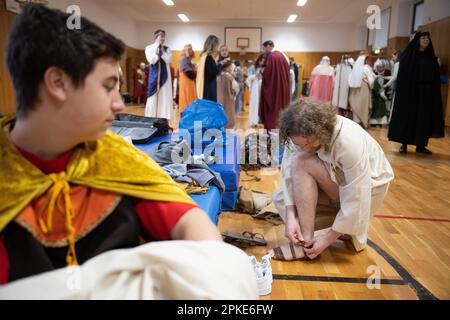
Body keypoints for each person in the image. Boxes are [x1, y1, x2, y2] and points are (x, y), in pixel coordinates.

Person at [0, 4, 257, 299]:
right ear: (58, 83)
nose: (119, 104)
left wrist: (212, 273)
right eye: (108, 86)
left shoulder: (116, 158)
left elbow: (192, 224)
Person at [270, 98, 394, 260]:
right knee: (281, 196)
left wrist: (328, 239)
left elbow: (358, 194)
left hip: (370, 188)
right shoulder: (297, 135)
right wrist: (291, 218)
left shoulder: (348, 142)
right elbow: (287, 175)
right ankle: (307, 241)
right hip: (336, 183)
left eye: (307, 144)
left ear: (318, 131)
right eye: (299, 145)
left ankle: (322, 236)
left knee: (301, 162)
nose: (304, 148)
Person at [388, 32, 445, 155]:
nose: (426, 40)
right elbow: (403, 77)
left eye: (427, 38)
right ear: (418, 40)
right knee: (409, 117)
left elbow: (435, 77)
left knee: (423, 120)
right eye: (423, 38)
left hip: (426, 94)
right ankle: (404, 145)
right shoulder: (408, 57)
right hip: (411, 93)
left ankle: (421, 145)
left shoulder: (431, 58)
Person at [259, 40, 291, 130]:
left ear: (269, 46)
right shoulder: (283, 56)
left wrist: (262, 72)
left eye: (263, 48)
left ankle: (271, 137)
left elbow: (268, 73)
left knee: (273, 114)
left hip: (274, 90)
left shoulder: (272, 56)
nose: (263, 51)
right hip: (283, 89)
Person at [145, 29, 173, 119]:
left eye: (164, 36)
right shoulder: (149, 48)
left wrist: (162, 51)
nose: (163, 38)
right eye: (161, 36)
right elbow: (152, 60)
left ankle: (163, 118)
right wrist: (157, 50)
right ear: (156, 37)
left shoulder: (167, 49)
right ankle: (151, 117)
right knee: (152, 96)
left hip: (165, 77)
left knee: (164, 97)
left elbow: (168, 60)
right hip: (154, 76)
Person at [348, 55, 376, 128]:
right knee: (363, 105)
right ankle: (363, 122)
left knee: (356, 104)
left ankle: (356, 122)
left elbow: (350, 80)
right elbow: (371, 80)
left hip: (355, 89)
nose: (369, 62)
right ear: (365, 61)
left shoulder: (355, 68)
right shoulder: (366, 68)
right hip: (364, 87)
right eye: (368, 60)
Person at [196, 35, 222, 102]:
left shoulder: (203, 56)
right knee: (209, 107)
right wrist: (220, 64)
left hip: (204, 85)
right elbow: (214, 71)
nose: (217, 48)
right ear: (213, 45)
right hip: (209, 87)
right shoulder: (208, 57)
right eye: (217, 45)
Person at [217, 61, 236, 128]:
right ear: (227, 68)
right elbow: (234, 87)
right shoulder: (229, 76)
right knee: (228, 113)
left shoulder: (218, 76)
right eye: (230, 67)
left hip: (219, 98)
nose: (231, 69)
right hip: (228, 97)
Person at [178, 44, 197, 113]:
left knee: (190, 101)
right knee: (188, 101)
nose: (190, 51)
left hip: (188, 83)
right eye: (188, 49)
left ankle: (193, 122)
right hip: (187, 83)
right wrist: (196, 72)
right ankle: (189, 121)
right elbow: (189, 74)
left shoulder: (187, 59)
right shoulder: (184, 59)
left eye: (191, 49)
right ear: (184, 50)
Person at [247, 55, 264, 127]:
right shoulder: (253, 67)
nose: (263, 62)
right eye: (261, 60)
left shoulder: (266, 68)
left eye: (264, 61)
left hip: (263, 88)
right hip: (255, 87)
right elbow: (248, 79)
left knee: (261, 104)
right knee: (255, 104)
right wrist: (255, 76)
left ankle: (260, 120)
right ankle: (254, 121)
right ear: (259, 60)